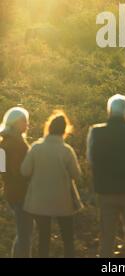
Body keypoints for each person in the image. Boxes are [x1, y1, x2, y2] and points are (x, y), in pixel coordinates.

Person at [87, 94, 125, 258]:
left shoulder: (95, 132)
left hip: (106, 191)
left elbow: (90, 159)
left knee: (107, 237)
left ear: (109, 111)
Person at [21, 110, 82, 258]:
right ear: (65, 130)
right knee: (67, 239)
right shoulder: (66, 151)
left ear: (48, 128)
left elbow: (24, 171)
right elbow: (77, 174)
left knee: (44, 239)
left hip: (39, 201)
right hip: (63, 201)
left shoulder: (36, 147)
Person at [0, 106, 33, 258]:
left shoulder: (3, 143)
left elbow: (2, 170)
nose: (27, 125)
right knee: (25, 233)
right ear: (16, 122)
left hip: (10, 192)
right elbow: (21, 171)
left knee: (22, 232)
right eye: (24, 121)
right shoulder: (17, 143)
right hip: (21, 192)